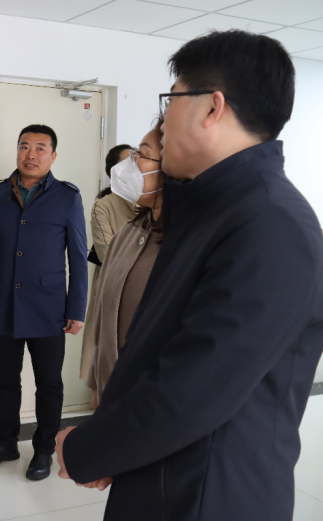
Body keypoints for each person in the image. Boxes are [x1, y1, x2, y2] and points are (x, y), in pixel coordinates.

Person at [56, 30, 323, 521]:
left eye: (171, 101)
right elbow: (157, 348)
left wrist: (89, 449)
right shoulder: (210, 211)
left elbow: (191, 391)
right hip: (162, 473)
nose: (163, 122)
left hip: (207, 494)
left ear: (212, 107)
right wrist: (115, 441)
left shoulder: (272, 225)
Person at [0, 124, 88, 481]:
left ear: (53, 155)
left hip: (49, 308)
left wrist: (76, 309)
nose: (30, 154)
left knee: (49, 384)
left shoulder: (67, 197)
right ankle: (5, 444)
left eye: (40, 148)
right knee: (5, 381)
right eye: (24, 146)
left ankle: (44, 450)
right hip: (4, 303)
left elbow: (78, 257)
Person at [85, 120, 165, 408]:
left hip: (149, 404)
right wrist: (97, 381)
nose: (130, 163)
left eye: (141, 154)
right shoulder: (130, 232)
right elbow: (106, 315)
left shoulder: (188, 241)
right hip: (113, 394)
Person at [79, 144, 136, 390]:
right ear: (114, 171)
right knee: (107, 370)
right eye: (128, 161)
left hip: (148, 294)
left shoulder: (157, 202)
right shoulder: (105, 205)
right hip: (114, 291)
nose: (135, 165)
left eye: (138, 158)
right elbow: (109, 255)